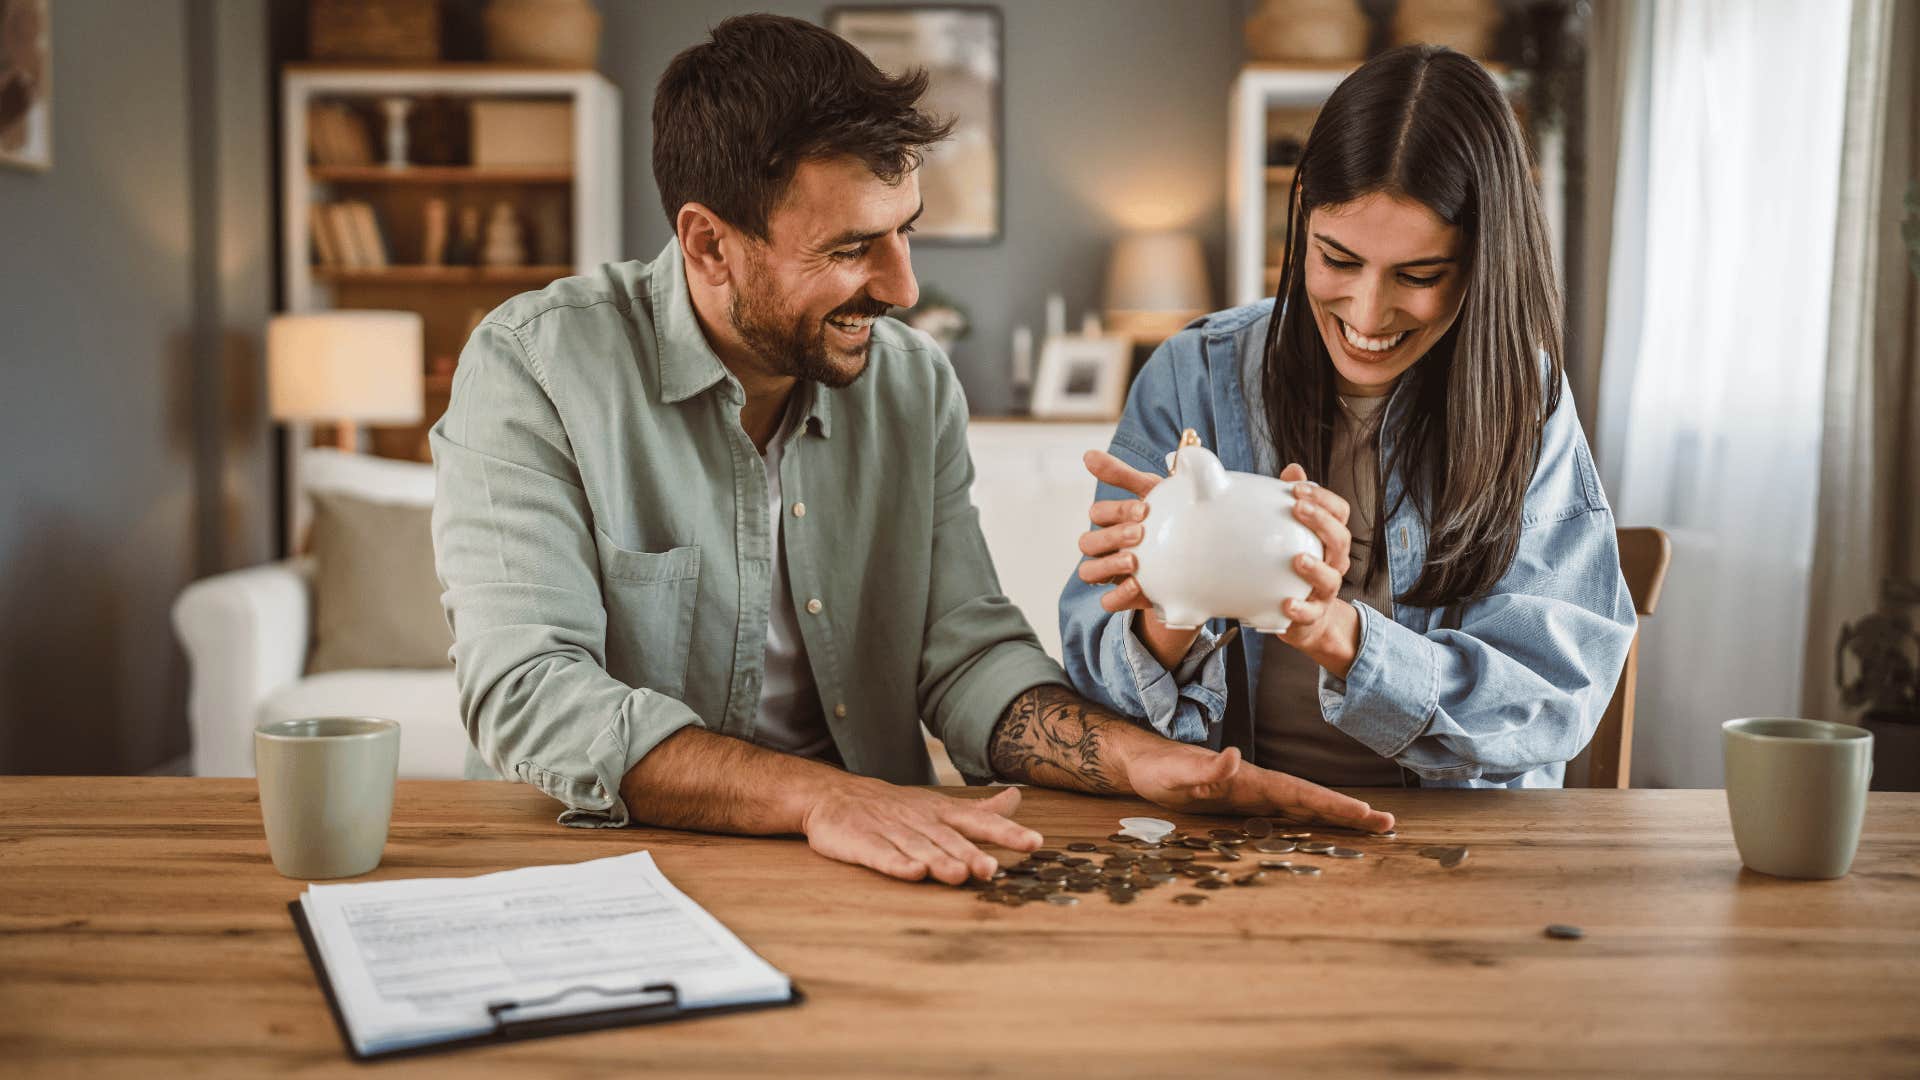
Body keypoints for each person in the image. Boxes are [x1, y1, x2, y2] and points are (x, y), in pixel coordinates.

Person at [431, 14, 1394, 889]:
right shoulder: (534, 369)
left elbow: (965, 655)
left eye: (908, 233)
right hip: (598, 872)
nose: (901, 286)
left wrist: (1138, 759)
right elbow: (529, 692)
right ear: (708, 243)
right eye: (852, 248)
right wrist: (820, 796)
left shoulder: (910, 382)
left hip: (880, 866)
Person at [1061, 44, 1636, 790]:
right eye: (1337, 259)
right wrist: (1171, 597)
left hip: (1460, 845)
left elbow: (1554, 698)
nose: (1367, 314)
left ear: (1484, 264)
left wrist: (1338, 632)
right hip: (1237, 821)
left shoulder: (1525, 403)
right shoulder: (1193, 374)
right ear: (1302, 223)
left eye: (1419, 275)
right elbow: (1093, 689)